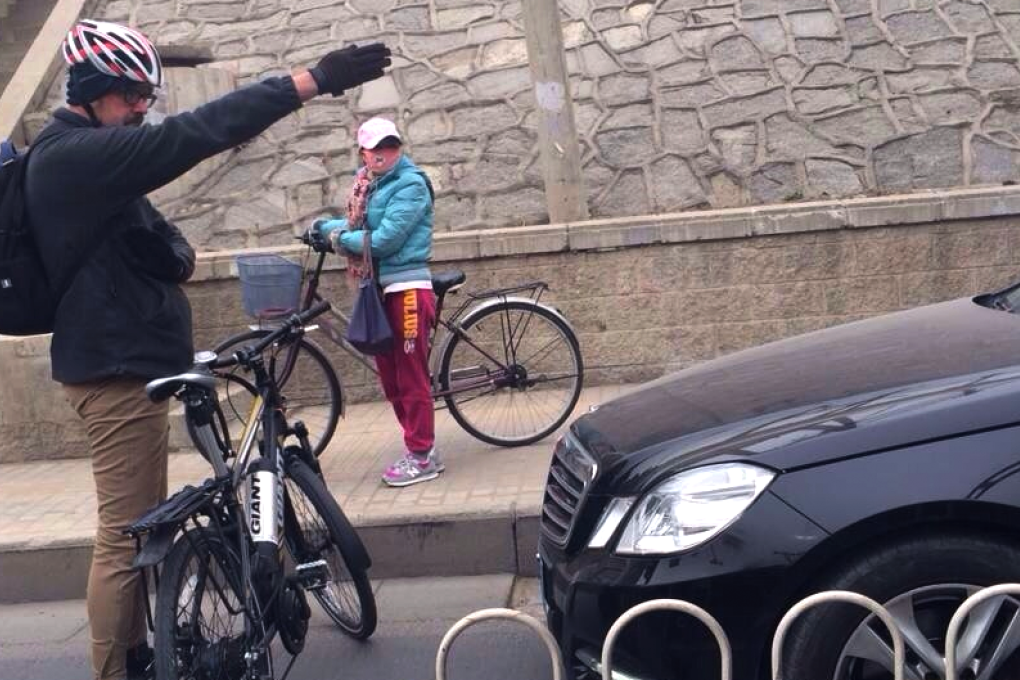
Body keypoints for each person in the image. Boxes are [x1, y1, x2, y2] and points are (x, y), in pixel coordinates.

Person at [24, 19, 390, 680]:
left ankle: (238, 576)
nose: (142, 106)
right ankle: (121, 667)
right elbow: (194, 133)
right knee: (126, 532)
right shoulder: (71, 156)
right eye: (132, 93)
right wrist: (309, 82)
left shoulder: (94, 158)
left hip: (145, 358)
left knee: (202, 486)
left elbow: (156, 243)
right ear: (94, 87)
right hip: (115, 373)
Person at [311, 117, 440, 488]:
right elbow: (357, 225)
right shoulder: (369, 186)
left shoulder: (411, 184)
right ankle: (418, 447)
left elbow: (383, 241)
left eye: (389, 146)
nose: (383, 153)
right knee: (390, 378)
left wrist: (337, 238)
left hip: (408, 290)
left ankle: (422, 454)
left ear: (397, 147)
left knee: (411, 374)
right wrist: (323, 227)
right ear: (363, 153)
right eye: (375, 147)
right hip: (376, 290)